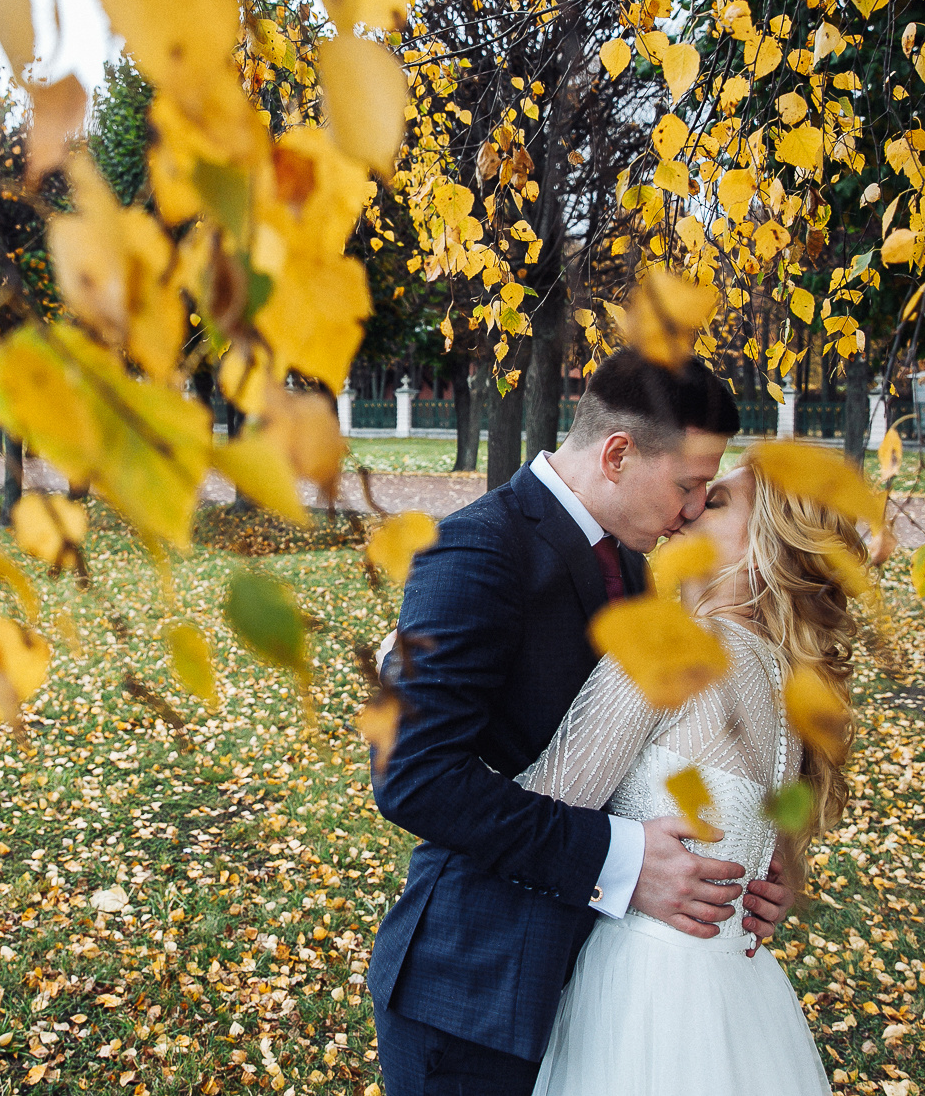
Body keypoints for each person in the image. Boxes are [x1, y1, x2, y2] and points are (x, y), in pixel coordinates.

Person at [368, 350, 792, 1096]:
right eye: (689, 486)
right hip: (473, 991)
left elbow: (635, 751)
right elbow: (415, 777)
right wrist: (622, 860)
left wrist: (747, 859)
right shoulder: (479, 548)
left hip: (590, 995)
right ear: (619, 454)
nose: (694, 510)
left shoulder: (629, 564)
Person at [521, 450, 865, 1094]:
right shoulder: (787, 686)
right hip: (733, 991)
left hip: (644, 991)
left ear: (762, 552)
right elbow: (765, 860)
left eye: (715, 501)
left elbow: (535, 811)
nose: (685, 509)